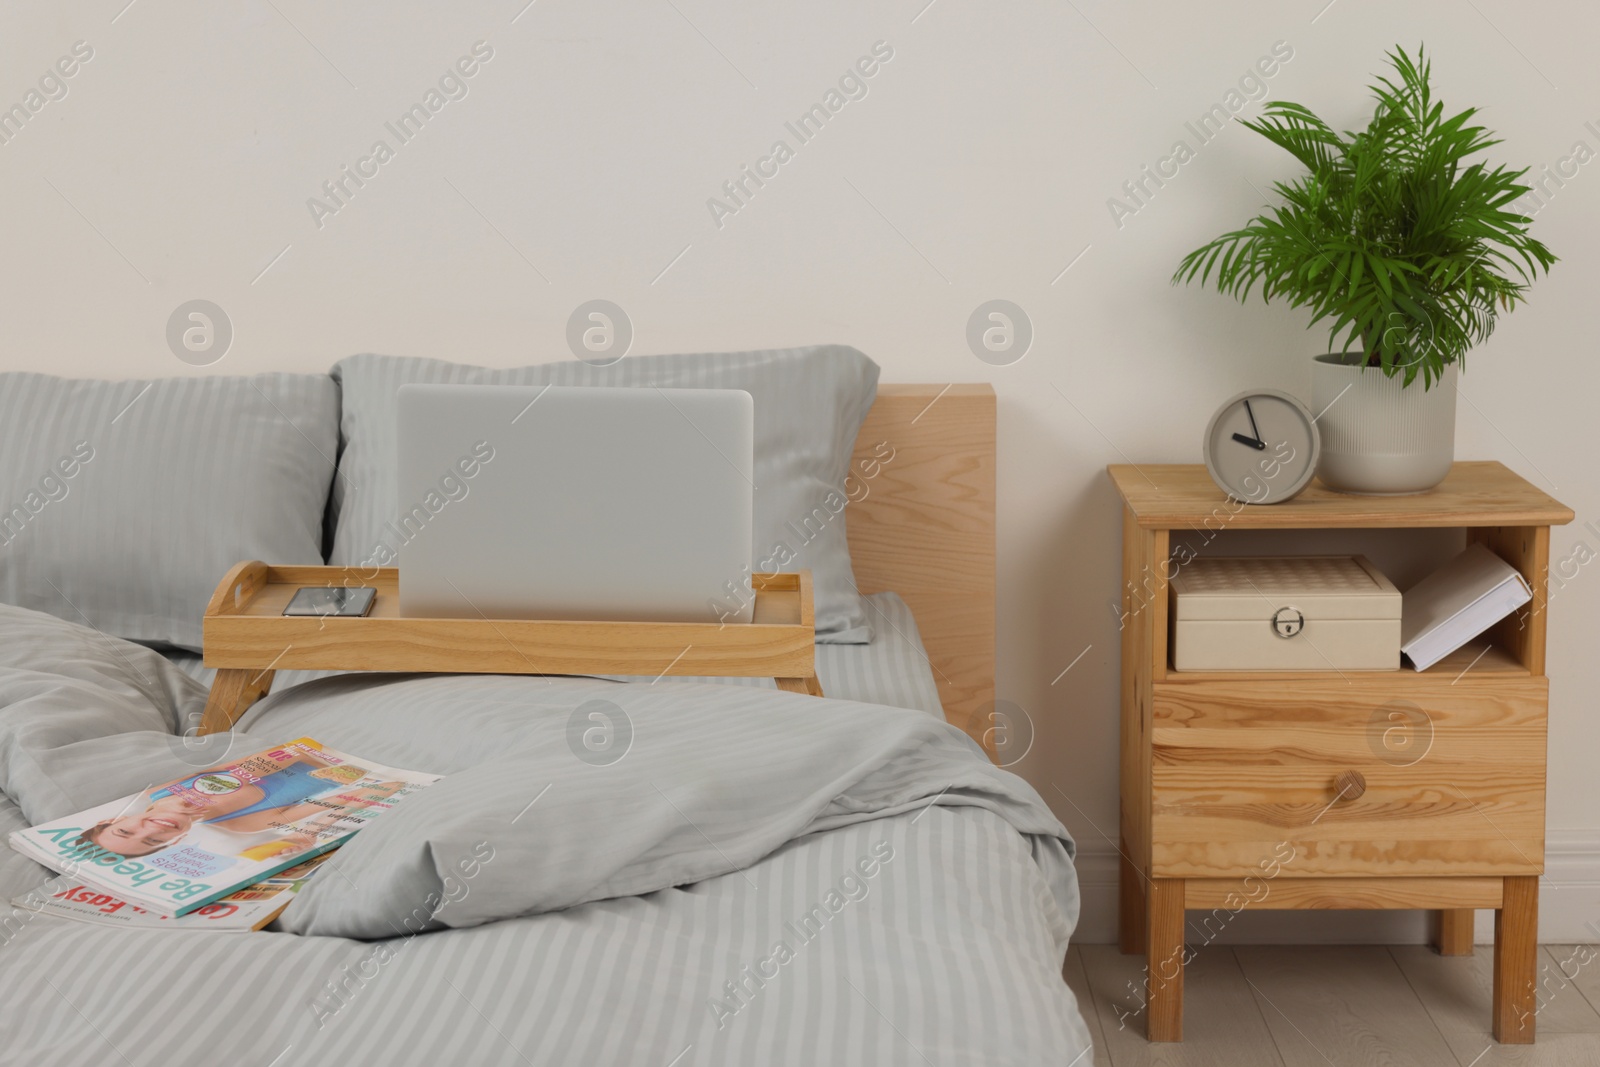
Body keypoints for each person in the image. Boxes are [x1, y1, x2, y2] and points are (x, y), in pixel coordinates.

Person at [78, 747, 407, 858]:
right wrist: (310, 833)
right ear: (172, 841)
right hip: (375, 762)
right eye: (152, 841)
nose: (149, 831)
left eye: (125, 832)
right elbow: (384, 787)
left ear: (111, 821)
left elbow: (292, 750)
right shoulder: (240, 823)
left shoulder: (161, 791)